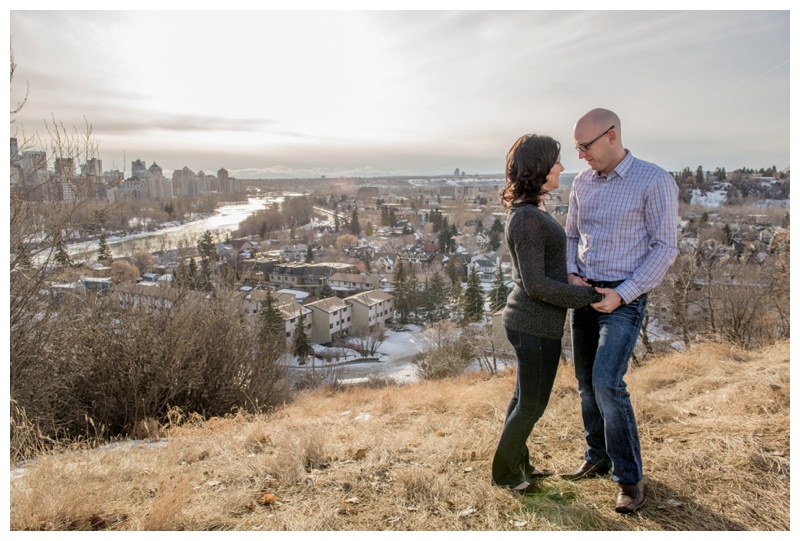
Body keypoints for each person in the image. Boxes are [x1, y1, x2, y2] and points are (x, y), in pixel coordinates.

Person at [561, 108, 678, 513]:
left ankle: (629, 479)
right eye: (576, 148)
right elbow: (572, 234)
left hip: (624, 299)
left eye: (584, 146)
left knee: (608, 382)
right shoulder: (582, 182)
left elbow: (665, 248)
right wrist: (572, 272)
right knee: (585, 383)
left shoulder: (654, 180)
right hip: (584, 294)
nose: (580, 156)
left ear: (611, 136)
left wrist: (623, 294)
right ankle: (597, 456)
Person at [492, 134, 602, 494]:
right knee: (533, 405)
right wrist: (587, 295)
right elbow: (536, 284)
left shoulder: (531, 211)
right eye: (556, 161)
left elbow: (543, 272)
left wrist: (569, 278)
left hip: (535, 323)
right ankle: (505, 476)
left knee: (524, 399)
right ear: (539, 167)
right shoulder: (526, 219)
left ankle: (518, 464)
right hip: (532, 323)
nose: (562, 167)